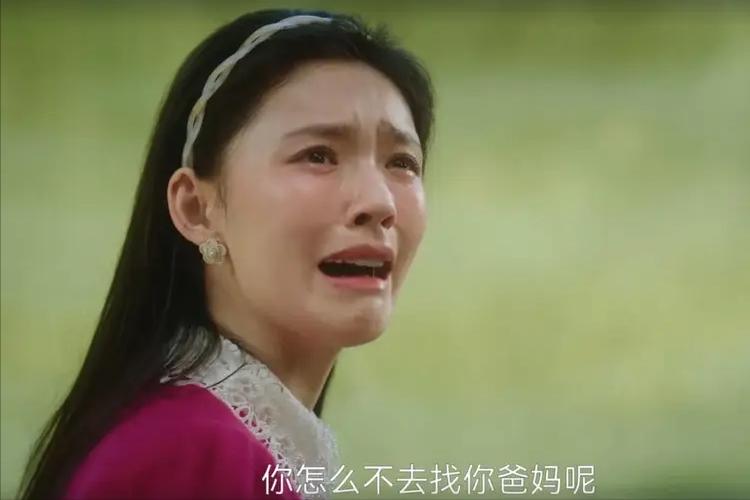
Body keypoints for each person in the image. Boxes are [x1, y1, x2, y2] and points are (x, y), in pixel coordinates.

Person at [18, 8, 435, 499]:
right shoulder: (188, 457)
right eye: (318, 155)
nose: (379, 203)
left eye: (402, 162)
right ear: (196, 209)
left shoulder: (219, 443)